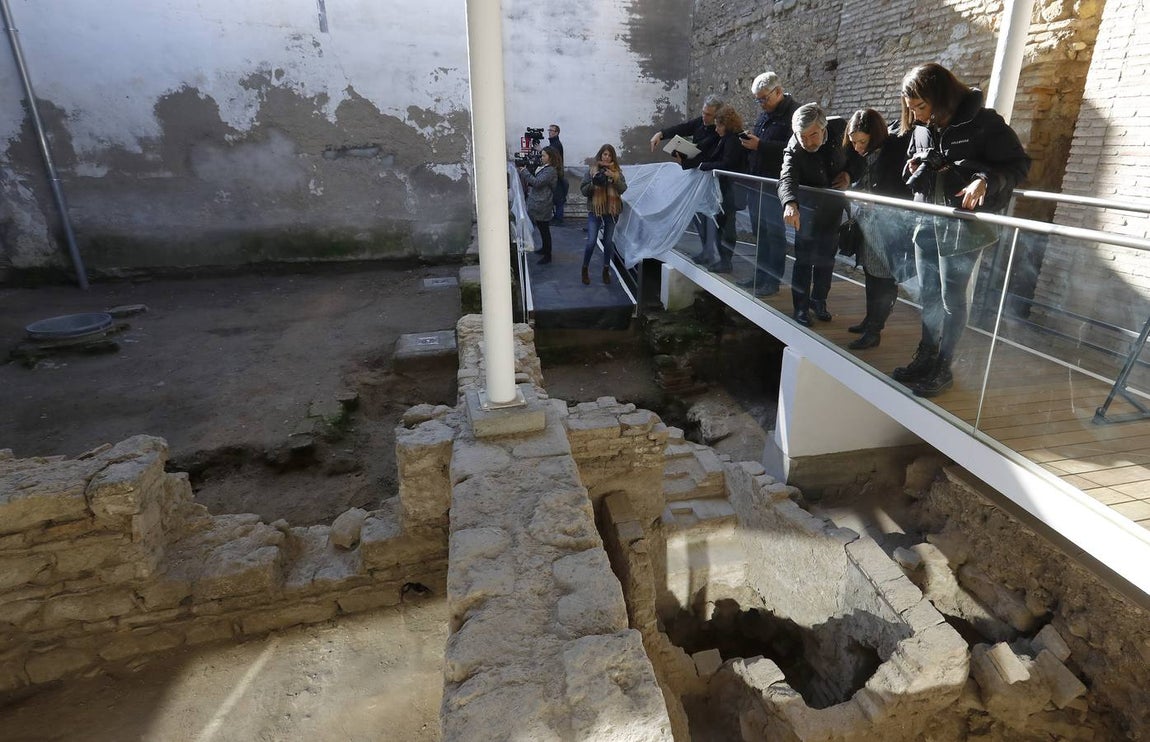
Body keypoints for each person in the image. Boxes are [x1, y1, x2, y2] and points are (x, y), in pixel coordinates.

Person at [891, 63, 1031, 397]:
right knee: (928, 295)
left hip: (963, 227)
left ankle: (944, 366)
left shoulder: (983, 122)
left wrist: (983, 180)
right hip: (926, 222)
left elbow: (1018, 166)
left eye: (921, 108)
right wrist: (914, 162)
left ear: (941, 97)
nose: (918, 116)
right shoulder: (923, 125)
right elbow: (916, 154)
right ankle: (925, 357)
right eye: (911, 110)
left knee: (952, 299)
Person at [779, 103, 860, 326]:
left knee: (826, 259)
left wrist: (849, 175)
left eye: (812, 135)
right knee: (804, 260)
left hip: (834, 207)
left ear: (823, 128)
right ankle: (801, 309)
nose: (807, 142)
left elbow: (859, 155)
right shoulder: (795, 145)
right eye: (802, 136)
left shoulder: (841, 128)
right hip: (808, 210)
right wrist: (790, 203)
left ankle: (819, 301)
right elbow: (786, 177)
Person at [842, 109, 912, 350]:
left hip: (889, 227)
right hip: (869, 224)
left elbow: (902, 189)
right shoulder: (862, 154)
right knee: (872, 276)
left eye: (863, 141)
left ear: (875, 135)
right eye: (854, 142)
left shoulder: (893, 151)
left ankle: (874, 330)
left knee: (883, 280)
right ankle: (870, 320)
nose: (858, 146)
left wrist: (877, 199)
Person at [739, 72, 801, 296]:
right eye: (758, 99)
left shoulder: (795, 114)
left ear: (778, 91)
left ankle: (772, 280)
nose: (761, 103)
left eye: (764, 98)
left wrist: (761, 146)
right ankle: (760, 274)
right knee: (760, 232)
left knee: (773, 235)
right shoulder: (766, 113)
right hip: (757, 183)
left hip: (776, 186)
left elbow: (794, 150)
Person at [650, 95, 723, 262]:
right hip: (696, 175)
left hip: (711, 178)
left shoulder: (719, 130)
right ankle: (706, 251)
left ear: (717, 116)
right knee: (698, 215)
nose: (704, 117)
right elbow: (684, 128)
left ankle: (716, 256)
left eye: (708, 115)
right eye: (703, 113)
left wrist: (685, 160)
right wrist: (660, 134)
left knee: (711, 218)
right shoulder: (701, 122)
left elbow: (705, 151)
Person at [697, 105, 748, 274]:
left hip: (731, 190)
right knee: (722, 225)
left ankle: (726, 261)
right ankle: (722, 259)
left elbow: (728, 164)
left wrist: (705, 166)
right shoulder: (726, 138)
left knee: (726, 227)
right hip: (726, 189)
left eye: (719, 125)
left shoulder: (732, 140)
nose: (716, 128)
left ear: (726, 124)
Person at [580, 144, 628, 285]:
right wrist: (594, 183)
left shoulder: (617, 171)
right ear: (600, 155)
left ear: (613, 157)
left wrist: (614, 178)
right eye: (604, 154)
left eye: (609, 155)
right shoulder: (592, 170)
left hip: (612, 213)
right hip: (595, 211)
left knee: (608, 243)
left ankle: (606, 270)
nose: (607, 157)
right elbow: (583, 190)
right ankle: (584, 269)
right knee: (591, 241)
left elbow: (623, 189)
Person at [518, 145, 562, 264]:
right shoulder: (545, 167)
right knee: (542, 228)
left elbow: (537, 182)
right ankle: (544, 249)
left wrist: (524, 171)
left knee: (544, 229)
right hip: (539, 201)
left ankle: (548, 255)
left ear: (550, 157)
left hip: (543, 203)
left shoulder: (551, 170)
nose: (541, 157)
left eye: (543, 155)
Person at [547, 124, 568, 224]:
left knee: (558, 197)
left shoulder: (556, 144)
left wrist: (541, 151)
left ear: (556, 133)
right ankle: (557, 218)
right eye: (549, 130)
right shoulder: (554, 143)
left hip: (556, 174)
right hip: (557, 173)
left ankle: (558, 219)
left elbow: (551, 156)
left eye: (551, 130)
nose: (549, 132)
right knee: (558, 197)